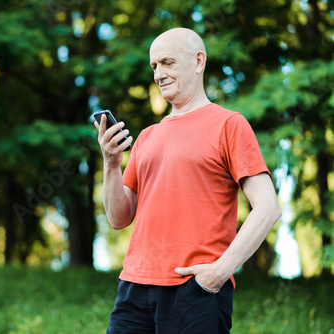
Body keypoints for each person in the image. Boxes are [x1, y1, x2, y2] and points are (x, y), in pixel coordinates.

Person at [94, 27, 282, 334]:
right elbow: (118, 218)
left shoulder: (229, 125)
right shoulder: (146, 137)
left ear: (198, 61)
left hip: (196, 289)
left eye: (168, 62)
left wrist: (218, 273)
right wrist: (111, 164)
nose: (159, 74)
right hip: (134, 287)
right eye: (154, 66)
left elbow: (268, 208)